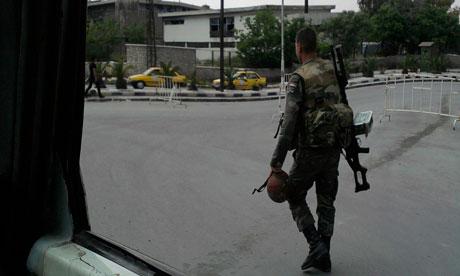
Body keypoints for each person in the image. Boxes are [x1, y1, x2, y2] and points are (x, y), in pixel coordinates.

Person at [270, 27, 343, 272]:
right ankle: (324, 256)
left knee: (293, 194)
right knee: (326, 202)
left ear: (299, 47)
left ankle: (316, 245)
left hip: (310, 151)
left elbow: (289, 123)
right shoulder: (332, 69)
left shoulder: (298, 77)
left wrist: (276, 161)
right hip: (334, 148)